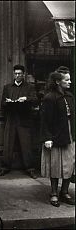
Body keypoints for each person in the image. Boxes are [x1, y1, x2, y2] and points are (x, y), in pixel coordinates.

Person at [40, 67, 75, 207]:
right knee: (54, 166)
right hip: (55, 136)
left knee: (69, 165)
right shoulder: (49, 98)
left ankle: (64, 192)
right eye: (67, 80)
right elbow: (45, 120)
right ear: (57, 82)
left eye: (69, 79)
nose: (70, 82)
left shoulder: (70, 96)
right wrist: (47, 138)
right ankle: (54, 193)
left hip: (69, 135)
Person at [0, 64, 38, 179]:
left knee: (26, 145)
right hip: (11, 118)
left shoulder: (29, 87)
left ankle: (30, 168)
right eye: (15, 73)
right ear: (13, 74)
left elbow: (35, 100)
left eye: (19, 73)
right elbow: (3, 104)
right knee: (8, 144)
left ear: (23, 74)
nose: (17, 76)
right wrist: (8, 101)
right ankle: (5, 167)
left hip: (24, 118)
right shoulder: (8, 87)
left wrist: (26, 99)